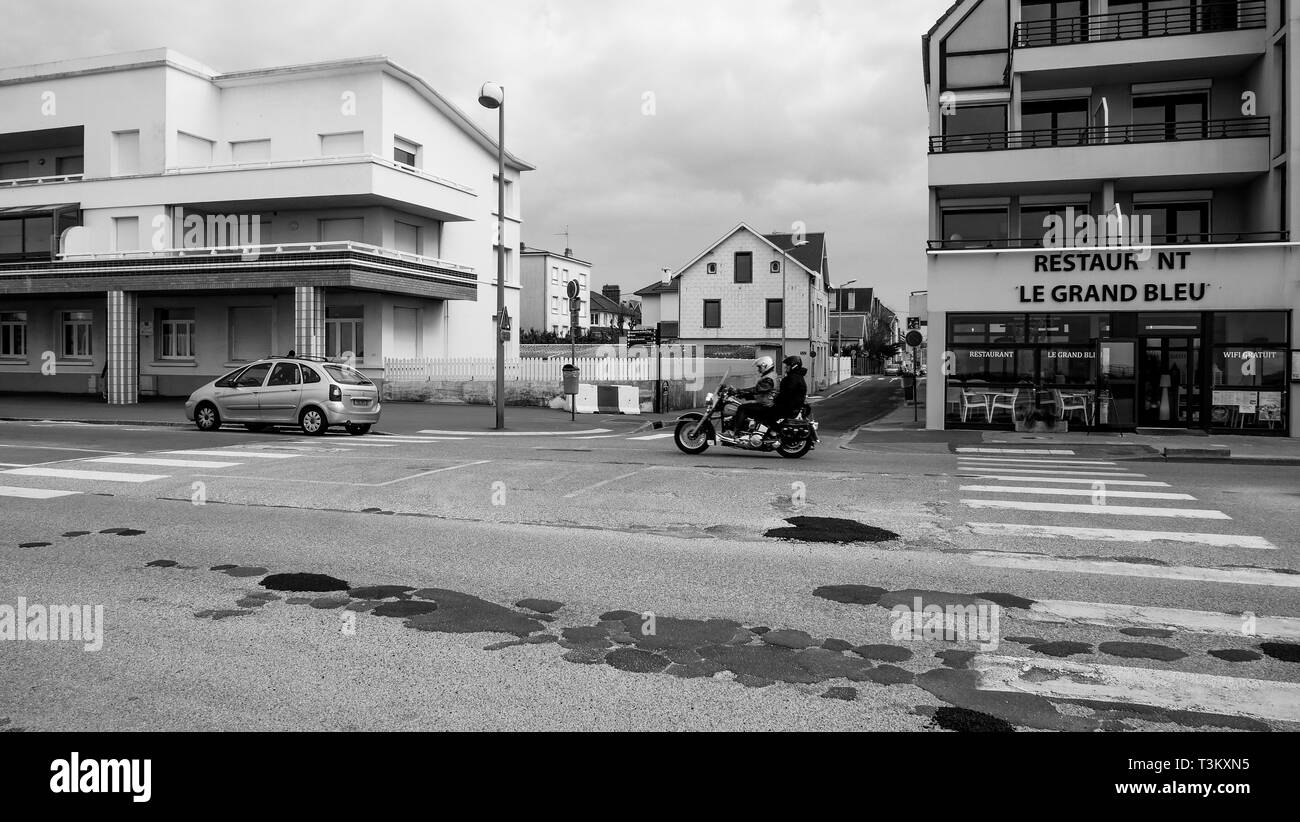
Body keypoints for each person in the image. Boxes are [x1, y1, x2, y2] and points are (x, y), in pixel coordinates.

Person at [754, 355, 809, 432]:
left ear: (793, 366)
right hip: (791, 406)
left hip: (788, 407)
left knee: (765, 415)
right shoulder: (796, 377)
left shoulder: (793, 378)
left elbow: (786, 394)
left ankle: (776, 433)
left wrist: (775, 402)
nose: (785, 367)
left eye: (787, 365)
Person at [730, 355, 776, 435]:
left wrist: (738, 391)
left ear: (765, 365)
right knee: (743, 405)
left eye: (759, 367)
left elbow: (757, 390)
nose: (758, 370)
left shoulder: (769, 378)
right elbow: (761, 393)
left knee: (742, 408)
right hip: (766, 403)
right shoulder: (769, 376)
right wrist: (742, 395)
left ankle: (734, 432)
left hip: (767, 406)